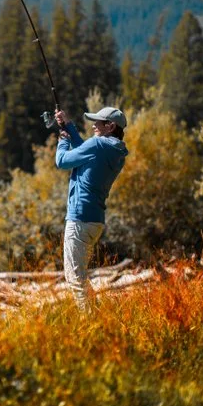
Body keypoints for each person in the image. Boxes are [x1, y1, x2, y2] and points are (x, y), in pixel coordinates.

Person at [54, 105, 129, 306]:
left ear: (110, 126)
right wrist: (68, 127)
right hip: (94, 221)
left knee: (75, 278)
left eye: (98, 122)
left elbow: (62, 161)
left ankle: (90, 325)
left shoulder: (97, 146)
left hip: (79, 219)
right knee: (81, 276)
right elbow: (84, 151)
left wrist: (62, 141)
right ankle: (96, 317)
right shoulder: (114, 151)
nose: (94, 125)